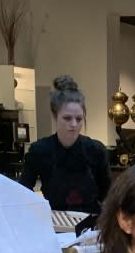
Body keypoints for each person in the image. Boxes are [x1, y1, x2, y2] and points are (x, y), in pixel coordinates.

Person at [19, 75, 111, 215]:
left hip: (90, 220)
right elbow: (23, 192)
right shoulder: (39, 150)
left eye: (79, 119)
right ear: (55, 116)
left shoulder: (96, 150)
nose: (74, 124)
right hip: (54, 220)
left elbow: (108, 196)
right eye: (67, 118)